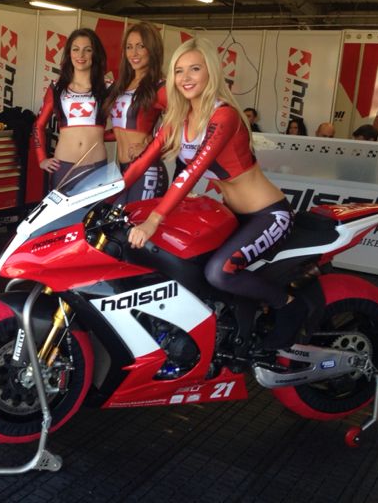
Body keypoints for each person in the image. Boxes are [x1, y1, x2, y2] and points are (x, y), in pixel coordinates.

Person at [123, 37, 304, 350]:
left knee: (219, 273)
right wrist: (105, 193)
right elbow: (143, 162)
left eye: (195, 68)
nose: (186, 77)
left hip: (268, 214)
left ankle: (289, 305)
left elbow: (193, 173)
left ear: (211, 73)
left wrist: (154, 219)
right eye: (179, 71)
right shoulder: (179, 118)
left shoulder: (225, 116)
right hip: (233, 215)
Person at [31, 28, 109, 189]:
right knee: (63, 215)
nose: (81, 55)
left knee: (93, 215)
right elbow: (38, 125)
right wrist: (41, 159)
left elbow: (126, 123)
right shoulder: (57, 87)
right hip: (64, 166)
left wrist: (103, 136)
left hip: (96, 167)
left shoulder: (107, 87)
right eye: (75, 49)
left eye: (87, 50)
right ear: (69, 53)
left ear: (95, 54)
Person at [103, 21, 168, 203]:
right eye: (129, 47)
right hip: (123, 169)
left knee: (137, 227)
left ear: (152, 49)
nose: (134, 53)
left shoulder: (159, 86)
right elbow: (121, 130)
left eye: (141, 46)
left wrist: (154, 147)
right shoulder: (122, 85)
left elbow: (185, 122)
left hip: (146, 169)